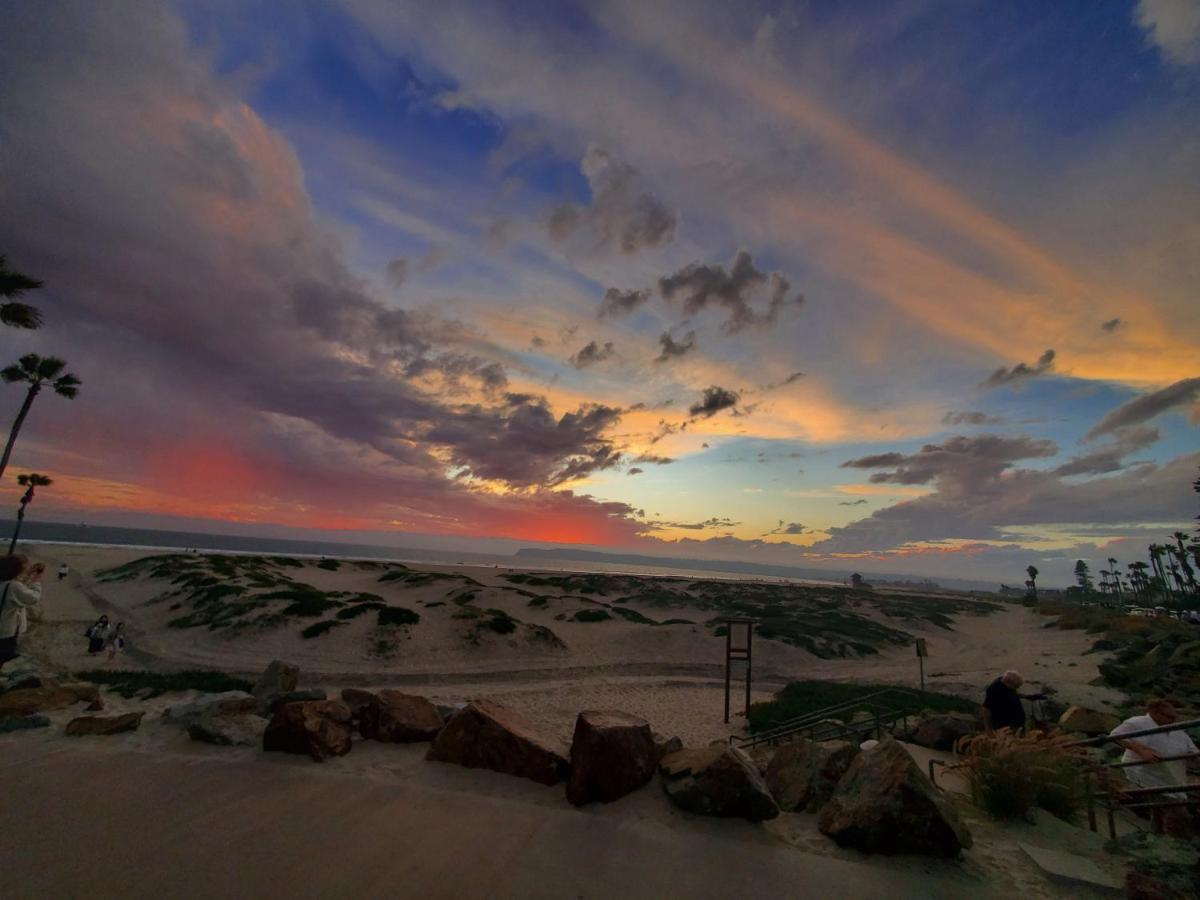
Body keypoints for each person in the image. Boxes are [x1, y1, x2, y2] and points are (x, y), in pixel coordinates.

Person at [1110, 699, 1198, 799]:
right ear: (1155, 713)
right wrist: (1141, 750)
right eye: (1169, 717)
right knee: (1171, 807)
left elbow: (1193, 751)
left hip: (1171, 777)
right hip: (1145, 774)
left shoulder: (1178, 731)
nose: (1173, 720)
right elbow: (1116, 734)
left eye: (1174, 717)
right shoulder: (1138, 722)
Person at [0, 555, 44, 667]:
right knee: (3, 660)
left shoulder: (6, 583)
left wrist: (28, 574)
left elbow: (17, 588)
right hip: (5, 632)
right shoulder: (13, 586)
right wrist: (37, 581)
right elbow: (33, 598)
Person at [982, 670, 1046, 732]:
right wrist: (988, 728)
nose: (1017, 688)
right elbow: (986, 709)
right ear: (1008, 682)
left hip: (1016, 724)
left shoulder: (1007, 686)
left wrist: (1028, 697)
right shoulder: (994, 690)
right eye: (1016, 686)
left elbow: (1013, 695)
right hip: (1004, 726)